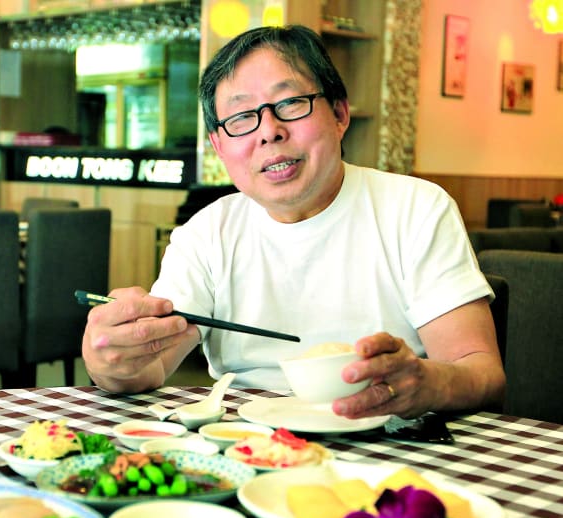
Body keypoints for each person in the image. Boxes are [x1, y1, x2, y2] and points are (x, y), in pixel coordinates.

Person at [81, 25, 505, 420]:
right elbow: (151, 364)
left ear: (340, 114)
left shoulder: (415, 209)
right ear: (218, 146)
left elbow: (481, 372)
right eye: (241, 117)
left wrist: (426, 385)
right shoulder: (206, 234)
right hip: (246, 443)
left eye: (289, 103)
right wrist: (111, 363)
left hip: (388, 442)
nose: (269, 132)